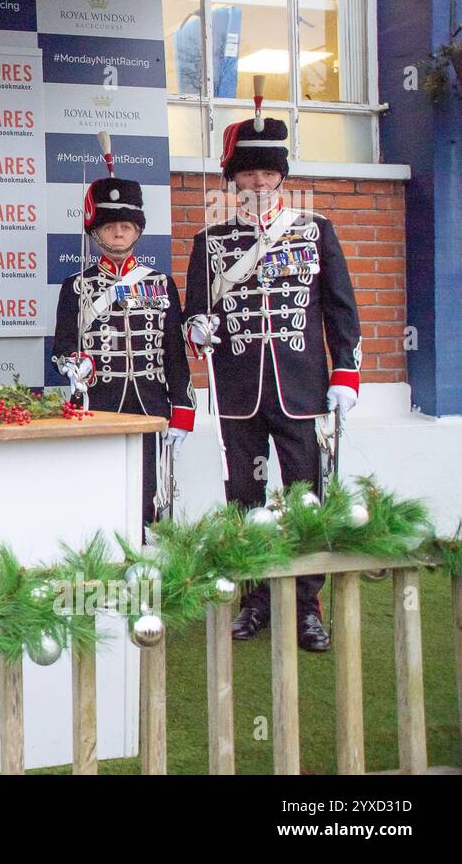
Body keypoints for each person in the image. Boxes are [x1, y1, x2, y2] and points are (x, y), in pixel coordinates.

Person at [183, 111, 362, 652]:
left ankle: (307, 604)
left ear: (281, 176)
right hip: (239, 389)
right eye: (248, 174)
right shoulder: (211, 241)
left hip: (301, 387)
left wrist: (346, 373)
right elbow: (195, 316)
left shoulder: (315, 230)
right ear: (233, 179)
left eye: (267, 173)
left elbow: (339, 308)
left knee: (306, 496)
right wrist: (200, 327)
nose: (258, 183)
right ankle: (254, 597)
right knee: (245, 496)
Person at [53, 172, 195, 530]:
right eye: (111, 225)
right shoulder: (77, 287)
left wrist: (183, 406)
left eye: (127, 226)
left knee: (151, 494)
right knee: (101, 495)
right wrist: (76, 365)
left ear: (138, 231)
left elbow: (174, 353)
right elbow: (63, 348)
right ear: (95, 232)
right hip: (98, 405)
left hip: (150, 403)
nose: (119, 233)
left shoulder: (161, 283)